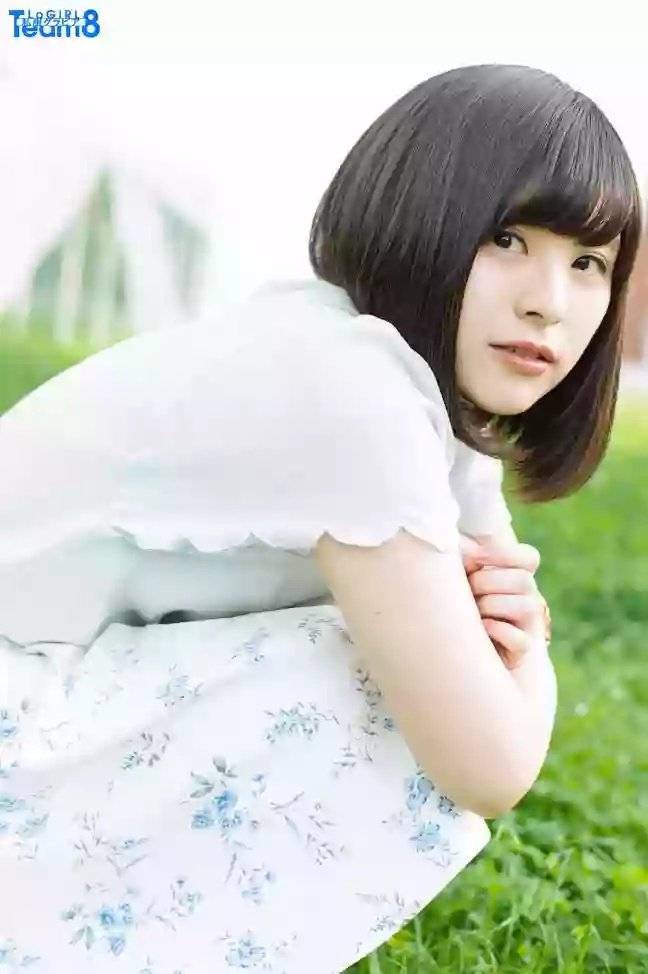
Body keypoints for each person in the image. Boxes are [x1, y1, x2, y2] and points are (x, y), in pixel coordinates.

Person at [0, 63, 641, 973]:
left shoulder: (409, 394)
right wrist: (528, 646)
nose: (550, 300)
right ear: (414, 213)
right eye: (507, 238)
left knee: (413, 640)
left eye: (589, 264)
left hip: (43, 689)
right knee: (367, 675)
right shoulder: (352, 393)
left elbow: (486, 637)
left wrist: (505, 634)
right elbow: (487, 763)